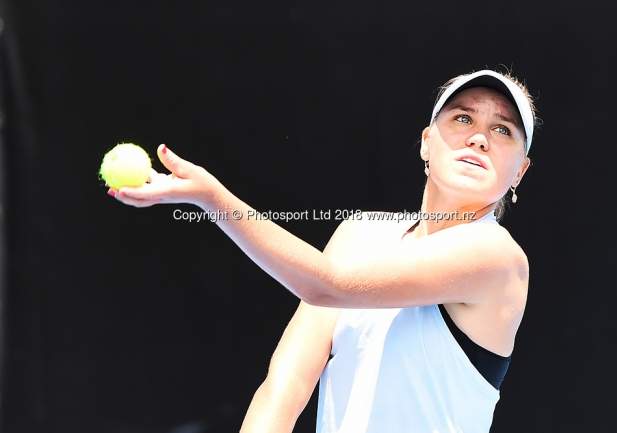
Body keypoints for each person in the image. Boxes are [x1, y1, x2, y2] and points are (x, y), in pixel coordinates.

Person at [108, 68, 540, 433]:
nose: (479, 138)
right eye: (463, 118)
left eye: (502, 129)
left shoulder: (497, 256)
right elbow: (286, 385)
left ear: (519, 171)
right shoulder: (360, 233)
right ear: (427, 142)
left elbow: (328, 286)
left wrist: (212, 198)